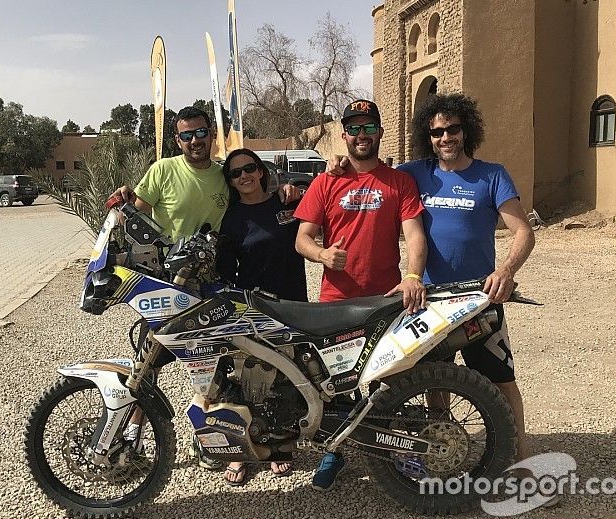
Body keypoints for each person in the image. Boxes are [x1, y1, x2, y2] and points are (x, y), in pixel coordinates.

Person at [327, 93, 540, 494]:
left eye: (453, 129)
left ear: (466, 130)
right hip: (429, 301)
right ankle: (442, 446)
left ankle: (522, 458)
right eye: (436, 131)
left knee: (501, 380)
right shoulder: (413, 173)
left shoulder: (492, 175)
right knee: (432, 378)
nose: (445, 137)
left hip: (480, 299)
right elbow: (369, 171)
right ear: (428, 135)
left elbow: (523, 232)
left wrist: (506, 271)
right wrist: (336, 163)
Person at [109, 106, 301, 471]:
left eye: (200, 133)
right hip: (168, 285)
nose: (195, 141)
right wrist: (124, 199)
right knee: (150, 359)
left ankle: (231, 445)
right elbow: (136, 216)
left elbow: (258, 198)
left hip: (212, 284)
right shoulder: (162, 170)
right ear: (177, 139)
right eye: (186, 135)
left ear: (212, 133)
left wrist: (287, 187)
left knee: (224, 364)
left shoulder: (223, 176)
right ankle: (130, 440)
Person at [293, 99, 429, 491]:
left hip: (386, 299)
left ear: (380, 133)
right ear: (344, 135)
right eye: (354, 128)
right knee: (336, 381)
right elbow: (302, 238)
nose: (361, 135)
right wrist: (321, 253)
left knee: (392, 378)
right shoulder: (326, 181)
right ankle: (335, 451)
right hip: (336, 302)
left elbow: (414, 232)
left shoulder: (399, 181)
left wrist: (413, 274)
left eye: (369, 127)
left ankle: (399, 448)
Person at [216, 148, 307, 485]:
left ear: (261, 171)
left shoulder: (286, 203)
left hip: (292, 303)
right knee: (245, 379)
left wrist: (295, 192)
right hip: (252, 309)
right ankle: (241, 451)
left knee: (287, 376)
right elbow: (226, 270)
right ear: (231, 181)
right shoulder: (233, 219)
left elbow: (321, 208)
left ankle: (280, 448)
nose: (245, 176)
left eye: (250, 168)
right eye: (236, 173)